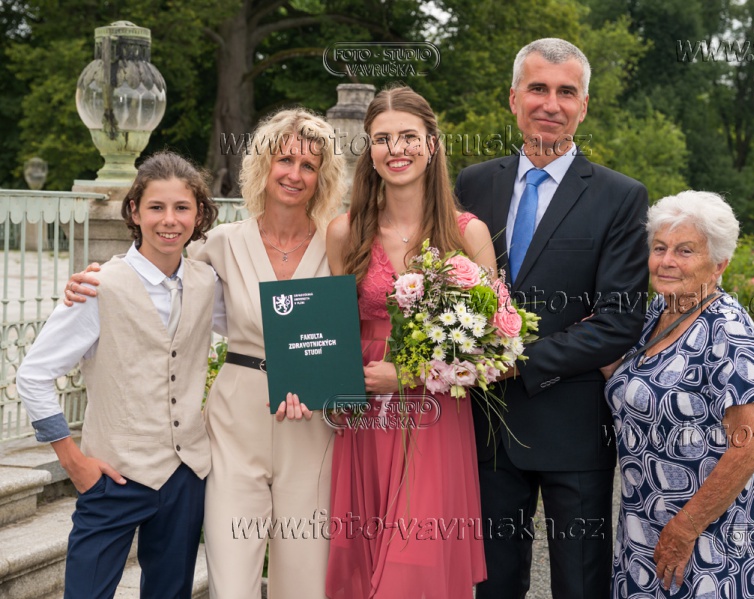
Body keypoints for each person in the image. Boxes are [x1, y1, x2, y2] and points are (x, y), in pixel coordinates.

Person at [63, 109, 346, 599]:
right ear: (264, 165)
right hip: (236, 424)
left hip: (312, 421)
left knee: (305, 578)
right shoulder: (220, 244)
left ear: (322, 177)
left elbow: (359, 323)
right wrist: (94, 277)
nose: (295, 174)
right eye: (285, 160)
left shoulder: (338, 244)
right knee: (231, 580)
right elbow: (156, 270)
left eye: (309, 165)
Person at [455, 38, 650, 599]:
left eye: (567, 92)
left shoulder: (620, 197)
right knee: (490, 585)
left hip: (575, 427)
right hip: (485, 428)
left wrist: (516, 361)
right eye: (538, 88)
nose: (551, 104)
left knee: (580, 584)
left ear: (583, 106)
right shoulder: (473, 184)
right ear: (513, 98)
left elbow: (618, 322)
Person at [17, 151, 221, 598]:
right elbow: (33, 376)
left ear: (199, 214)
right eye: (156, 207)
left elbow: (256, 326)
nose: (169, 220)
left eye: (182, 207)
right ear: (134, 211)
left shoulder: (207, 283)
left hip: (186, 475)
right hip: (112, 476)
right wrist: (73, 461)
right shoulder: (98, 286)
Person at [324, 84, 493, 599]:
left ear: (432, 144)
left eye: (408, 137)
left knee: (415, 565)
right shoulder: (344, 232)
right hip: (364, 417)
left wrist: (411, 373)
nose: (395, 149)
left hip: (434, 417)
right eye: (382, 139)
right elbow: (334, 334)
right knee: (365, 560)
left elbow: (492, 349)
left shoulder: (467, 234)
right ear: (370, 150)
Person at [600, 191, 754, 598]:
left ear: (719, 264)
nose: (666, 261)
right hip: (644, 524)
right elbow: (634, 383)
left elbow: (753, 443)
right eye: (660, 248)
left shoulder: (727, 328)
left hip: (706, 535)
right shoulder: (654, 316)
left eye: (685, 250)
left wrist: (686, 527)